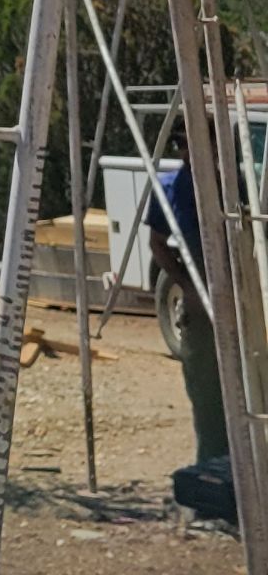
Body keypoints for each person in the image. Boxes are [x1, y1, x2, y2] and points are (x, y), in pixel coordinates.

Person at [150, 156, 235, 518]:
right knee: (206, 397)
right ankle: (211, 490)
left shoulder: (235, 184)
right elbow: (158, 243)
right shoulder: (170, 187)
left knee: (248, 395)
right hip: (200, 309)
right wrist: (186, 284)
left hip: (240, 301)